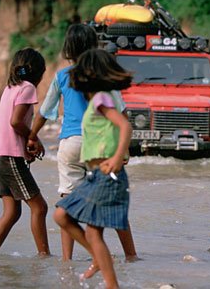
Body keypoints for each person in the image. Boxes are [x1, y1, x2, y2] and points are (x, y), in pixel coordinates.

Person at [28, 24, 138, 263]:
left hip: (70, 144)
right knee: (113, 201)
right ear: (93, 46)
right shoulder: (101, 76)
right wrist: (124, 150)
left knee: (68, 202)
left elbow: (45, 112)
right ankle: (130, 255)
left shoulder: (61, 76)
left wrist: (31, 136)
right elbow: (122, 113)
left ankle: (67, 261)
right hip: (100, 147)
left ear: (68, 48)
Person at [53, 48, 133, 289]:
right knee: (63, 216)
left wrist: (118, 157)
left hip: (107, 174)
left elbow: (125, 127)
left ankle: (110, 282)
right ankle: (101, 262)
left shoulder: (101, 98)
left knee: (77, 224)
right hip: (97, 175)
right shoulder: (98, 98)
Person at [0, 48, 49, 256]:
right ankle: (44, 256)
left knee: (12, 212)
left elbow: (9, 125)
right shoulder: (28, 88)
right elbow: (15, 122)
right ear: (38, 73)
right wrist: (34, 138)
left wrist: (26, 147)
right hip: (9, 158)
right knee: (40, 207)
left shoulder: (10, 87)